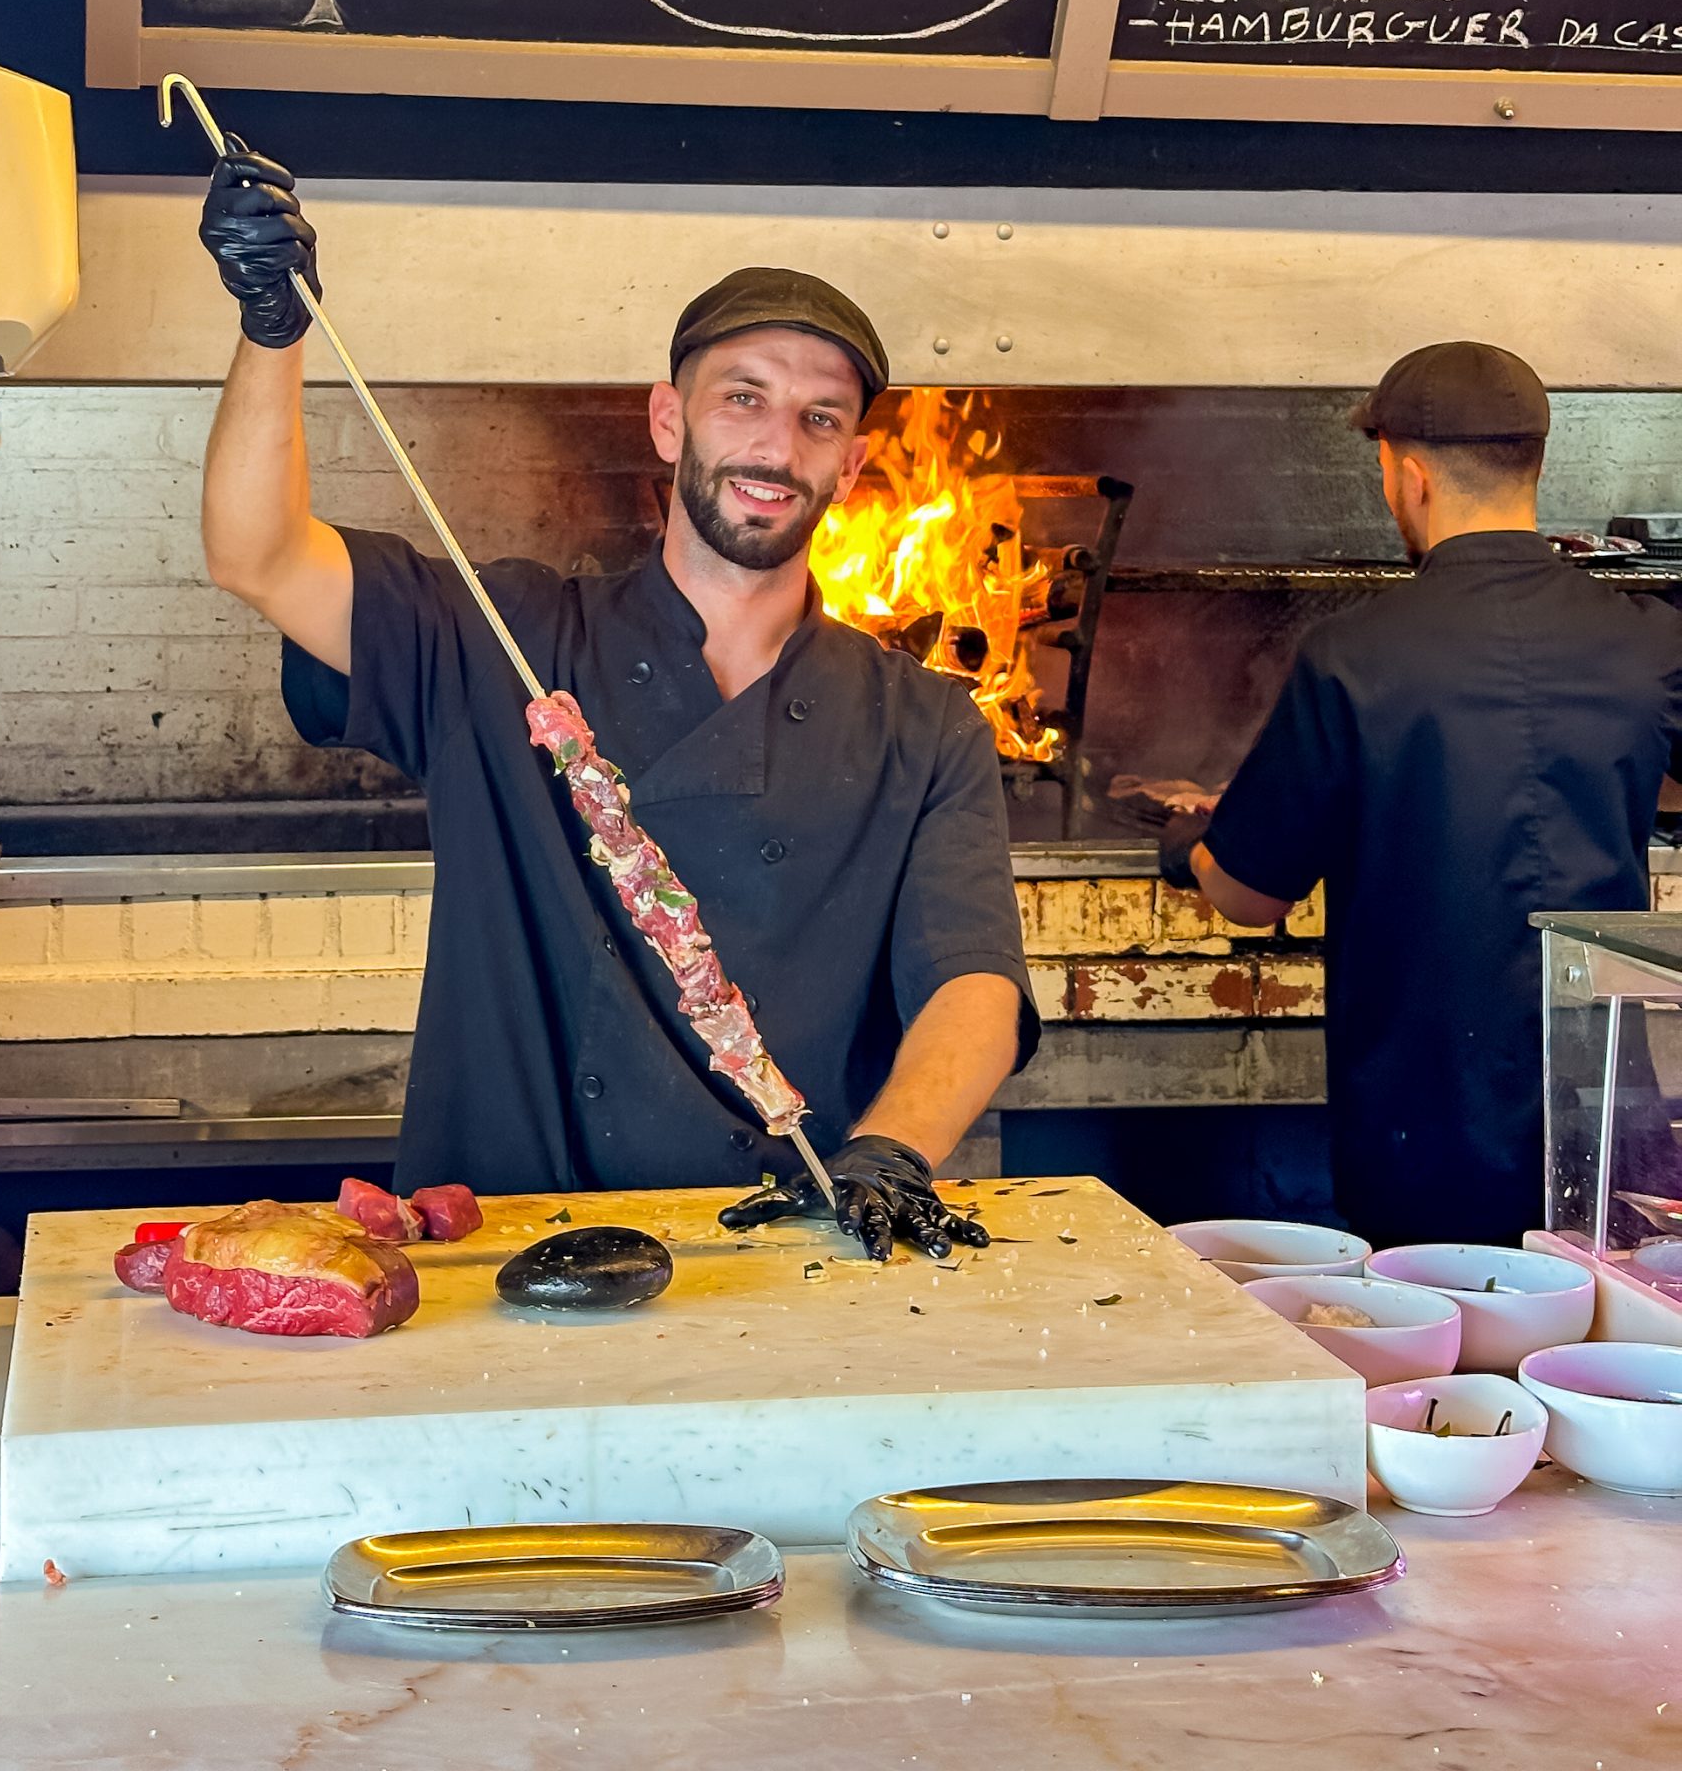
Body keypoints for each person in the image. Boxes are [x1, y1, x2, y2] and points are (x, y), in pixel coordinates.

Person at [195, 145, 1036, 1260]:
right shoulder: (506, 640)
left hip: (790, 1255)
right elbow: (255, 553)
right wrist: (272, 329)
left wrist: (894, 1152)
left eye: (819, 419)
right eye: (744, 399)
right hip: (500, 1250)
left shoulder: (924, 725)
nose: (776, 446)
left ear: (854, 463)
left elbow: (974, 980)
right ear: (667, 421)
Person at [1162, 341, 1682, 1247]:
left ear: (1408, 475)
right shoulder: (1647, 641)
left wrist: (1191, 841)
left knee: (1436, 1367)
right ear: (1538, 463)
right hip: (1605, 1124)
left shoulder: (1356, 654)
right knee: (1598, 1359)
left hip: (1422, 1129)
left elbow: (1249, 896)